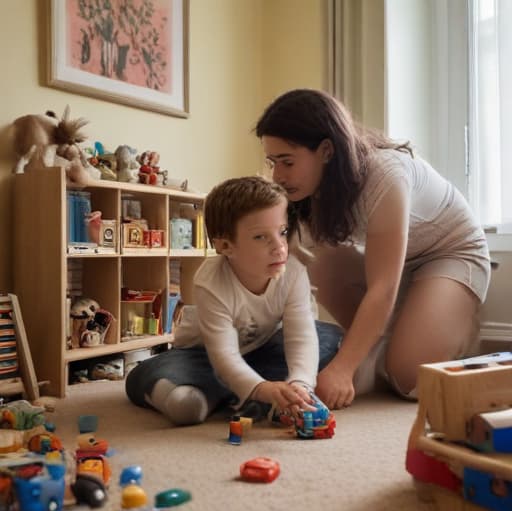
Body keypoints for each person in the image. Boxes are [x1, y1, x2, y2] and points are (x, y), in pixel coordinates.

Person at [255, 88, 491, 410]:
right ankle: (392, 340)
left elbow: (382, 286)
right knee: (315, 262)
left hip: (450, 254)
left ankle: (451, 331)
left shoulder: (385, 174)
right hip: (399, 262)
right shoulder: (307, 191)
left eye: (287, 162)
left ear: (326, 151)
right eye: (272, 162)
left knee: (409, 377)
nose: (277, 175)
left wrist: (342, 368)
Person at [125, 176, 342, 426]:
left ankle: (244, 391)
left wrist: (300, 385)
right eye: (261, 237)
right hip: (202, 356)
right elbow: (224, 356)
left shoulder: (293, 272)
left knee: (329, 336)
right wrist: (262, 388)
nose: (279, 247)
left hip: (261, 350)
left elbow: (301, 336)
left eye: (282, 232)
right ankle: (242, 391)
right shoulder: (211, 280)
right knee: (181, 403)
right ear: (226, 246)